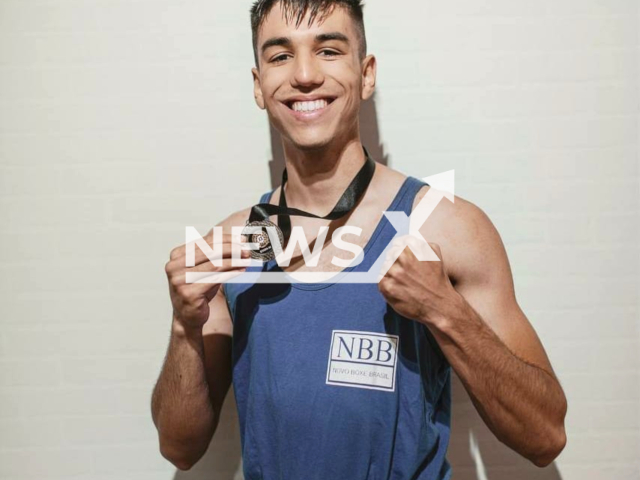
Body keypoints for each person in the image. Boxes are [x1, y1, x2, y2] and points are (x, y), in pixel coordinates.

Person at [151, 1, 568, 478]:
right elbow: (179, 448)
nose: (304, 75)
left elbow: (545, 436)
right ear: (258, 86)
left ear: (366, 74)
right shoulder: (239, 242)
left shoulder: (439, 226)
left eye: (328, 50)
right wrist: (185, 326)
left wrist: (443, 310)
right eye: (280, 56)